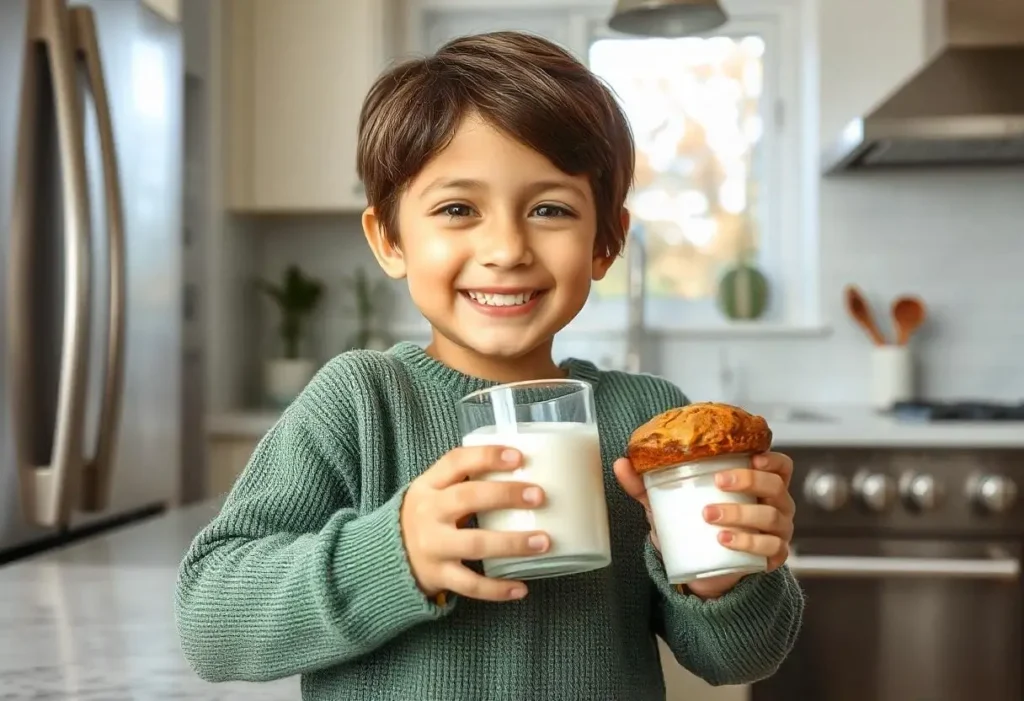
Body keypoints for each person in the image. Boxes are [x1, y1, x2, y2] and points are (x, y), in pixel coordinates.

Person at [175, 30, 804, 701]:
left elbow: (742, 657)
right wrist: (395, 553)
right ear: (390, 239)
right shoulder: (359, 401)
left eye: (549, 209)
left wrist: (724, 573)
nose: (505, 248)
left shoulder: (643, 419)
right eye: (457, 209)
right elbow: (210, 622)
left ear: (605, 242)